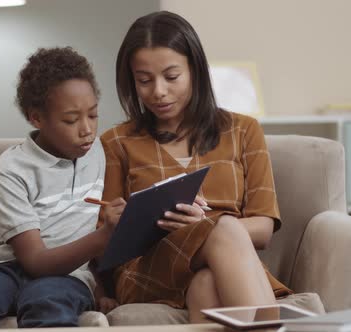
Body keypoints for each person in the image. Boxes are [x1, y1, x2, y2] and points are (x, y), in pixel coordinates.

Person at [99, 11, 293, 323]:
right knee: (225, 227)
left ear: (195, 71)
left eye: (171, 77)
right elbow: (105, 242)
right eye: (144, 80)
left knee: (206, 281)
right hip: (148, 266)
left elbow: (264, 228)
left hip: (223, 262)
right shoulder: (116, 142)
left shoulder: (243, 130)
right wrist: (112, 221)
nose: (158, 91)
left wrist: (202, 227)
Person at [0, 47, 125, 331]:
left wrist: (101, 288)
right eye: (71, 120)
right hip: (3, 269)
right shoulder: (9, 171)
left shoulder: (100, 152)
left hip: (67, 276)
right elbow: (34, 261)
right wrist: (105, 237)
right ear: (36, 118)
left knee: (49, 304)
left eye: (93, 115)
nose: (87, 129)